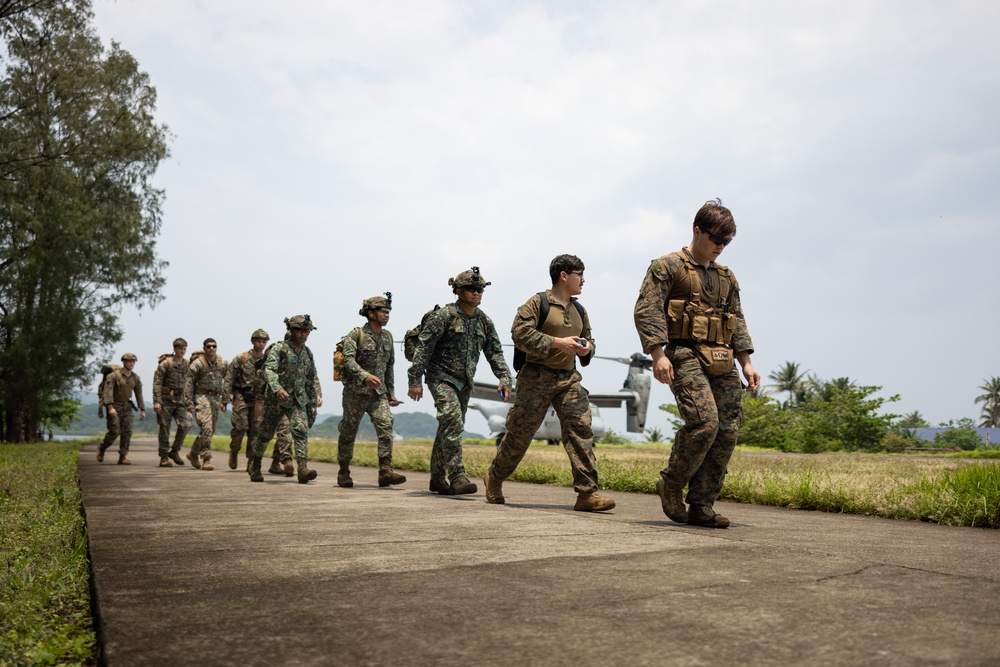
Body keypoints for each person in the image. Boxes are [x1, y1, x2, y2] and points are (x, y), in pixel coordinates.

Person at [633, 198, 760, 528]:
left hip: (721, 357)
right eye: (715, 239)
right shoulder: (668, 266)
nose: (720, 246)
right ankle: (671, 484)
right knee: (705, 423)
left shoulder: (726, 278)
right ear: (697, 231)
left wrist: (746, 362)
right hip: (683, 353)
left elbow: (737, 319)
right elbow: (647, 310)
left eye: (726, 242)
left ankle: (702, 504)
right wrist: (657, 354)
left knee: (728, 429)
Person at [484, 254, 615, 512]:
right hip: (536, 378)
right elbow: (519, 333)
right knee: (520, 435)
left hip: (568, 378)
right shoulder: (537, 303)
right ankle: (494, 477)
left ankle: (587, 493)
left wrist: (587, 348)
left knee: (581, 430)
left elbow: (590, 339)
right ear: (563, 275)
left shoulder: (579, 310)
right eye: (579, 274)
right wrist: (557, 343)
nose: (583, 280)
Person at [407, 267, 512, 495]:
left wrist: (504, 377)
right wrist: (414, 379)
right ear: (458, 290)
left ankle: (437, 478)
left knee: (448, 425)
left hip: (464, 382)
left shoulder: (484, 321)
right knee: (453, 421)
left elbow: (494, 352)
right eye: (471, 289)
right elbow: (423, 349)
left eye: (480, 289)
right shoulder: (443, 316)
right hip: (440, 377)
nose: (476, 293)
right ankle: (457, 476)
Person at [338, 293, 405, 488]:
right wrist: (364, 376)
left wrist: (391, 393)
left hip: (379, 395)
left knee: (386, 427)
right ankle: (343, 471)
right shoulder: (356, 335)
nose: (387, 315)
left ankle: (385, 471)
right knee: (348, 432)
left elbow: (389, 367)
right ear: (370, 313)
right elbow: (347, 360)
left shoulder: (388, 337)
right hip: (355, 394)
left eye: (388, 312)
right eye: (383, 311)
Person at [248, 315, 320, 484]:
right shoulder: (279, 349)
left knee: (300, 431)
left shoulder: (307, 353)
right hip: (276, 399)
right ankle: (256, 466)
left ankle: (302, 469)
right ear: (292, 331)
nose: (303, 334)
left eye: (306, 330)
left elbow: (310, 379)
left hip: (297, 400)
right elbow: (269, 370)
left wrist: (312, 402)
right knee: (266, 433)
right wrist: (277, 388)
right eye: (300, 330)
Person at [225, 329, 269, 470]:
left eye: (263, 342)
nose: (261, 344)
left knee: (255, 430)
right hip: (241, 396)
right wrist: (226, 398)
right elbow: (229, 378)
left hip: (258, 399)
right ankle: (234, 451)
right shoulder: (242, 358)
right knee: (240, 427)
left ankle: (251, 461)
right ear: (252, 341)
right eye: (258, 341)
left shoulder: (267, 361)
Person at [185, 338, 228, 471]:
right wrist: (189, 403)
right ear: (204, 348)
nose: (211, 349)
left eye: (214, 346)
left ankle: (193, 453)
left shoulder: (223, 363)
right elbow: (189, 384)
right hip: (201, 397)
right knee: (207, 427)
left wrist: (225, 400)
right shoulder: (197, 364)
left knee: (210, 430)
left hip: (215, 398)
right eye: (208, 347)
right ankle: (206, 459)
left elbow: (229, 380)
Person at [98, 353, 146, 465]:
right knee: (114, 431)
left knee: (127, 431)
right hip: (115, 406)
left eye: (133, 361)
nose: (132, 363)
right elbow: (108, 392)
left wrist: (142, 409)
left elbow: (139, 395)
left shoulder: (135, 378)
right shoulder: (113, 376)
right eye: (129, 361)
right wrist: (110, 407)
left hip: (127, 407)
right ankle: (102, 448)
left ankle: (123, 456)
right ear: (124, 362)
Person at [152, 338, 191, 467]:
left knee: (185, 424)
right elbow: (157, 383)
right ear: (174, 349)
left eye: (184, 348)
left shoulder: (187, 364)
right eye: (180, 348)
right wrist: (157, 402)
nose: (182, 351)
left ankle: (174, 451)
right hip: (166, 400)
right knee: (164, 428)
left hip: (181, 401)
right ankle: (164, 457)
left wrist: (190, 402)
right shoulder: (165, 364)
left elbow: (190, 383)